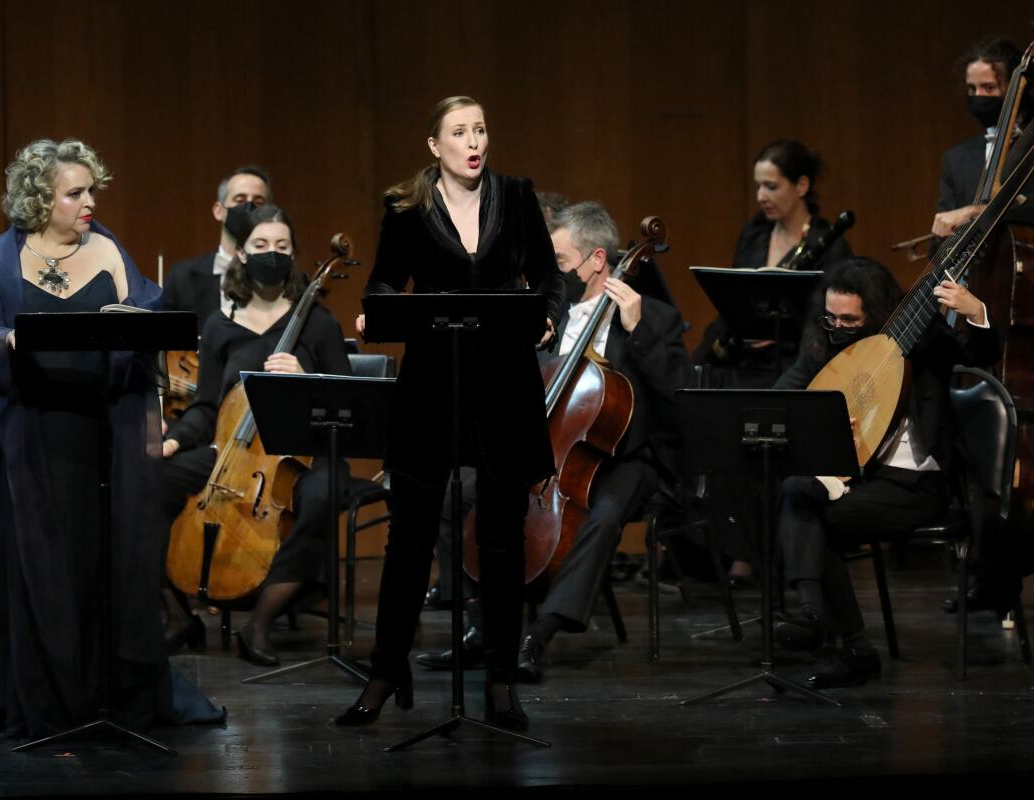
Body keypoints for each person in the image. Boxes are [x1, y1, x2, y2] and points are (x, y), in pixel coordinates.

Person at [0, 138, 224, 739]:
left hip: (104, 435)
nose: (90, 201)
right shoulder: (1, 259)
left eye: (92, 189)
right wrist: (8, 341)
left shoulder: (110, 249)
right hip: (33, 434)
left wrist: (139, 324)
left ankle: (104, 688)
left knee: (101, 558)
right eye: (76, 192)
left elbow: (149, 308)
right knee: (41, 562)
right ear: (42, 201)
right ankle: (44, 692)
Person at [339, 95, 564, 731]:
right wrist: (374, 312)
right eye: (460, 132)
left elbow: (550, 278)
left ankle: (499, 679)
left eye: (481, 129)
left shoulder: (516, 197)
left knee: (500, 538)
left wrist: (548, 316)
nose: (474, 141)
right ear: (434, 146)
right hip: (433, 382)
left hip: (504, 382)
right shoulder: (406, 208)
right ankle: (387, 671)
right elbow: (382, 283)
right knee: (409, 536)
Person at [414, 202, 689, 682]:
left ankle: (537, 635)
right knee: (451, 492)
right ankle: (481, 628)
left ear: (597, 260)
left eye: (561, 263)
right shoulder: (552, 315)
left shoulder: (655, 318)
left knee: (601, 518)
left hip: (627, 456)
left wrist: (637, 331)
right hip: (553, 448)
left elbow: (677, 396)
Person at [771, 257, 999, 688]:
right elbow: (787, 393)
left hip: (919, 483)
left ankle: (846, 642)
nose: (837, 327)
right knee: (795, 491)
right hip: (864, 479)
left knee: (816, 519)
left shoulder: (925, 341)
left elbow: (981, 357)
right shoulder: (827, 339)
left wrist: (977, 315)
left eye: (850, 321)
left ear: (875, 314)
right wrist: (822, 421)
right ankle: (815, 616)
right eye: (831, 317)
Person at [160, 203, 351, 665]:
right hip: (233, 452)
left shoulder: (319, 323)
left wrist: (310, 379)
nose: (272, 254)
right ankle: (177, 615)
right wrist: (170, 442)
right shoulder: (221, 327)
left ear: (294, 254)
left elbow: (348, 405)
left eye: (282, 247)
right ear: (241, 255)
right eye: (261, 246)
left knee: (324, 496)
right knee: (144, 482)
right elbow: (206, 409)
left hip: (305, 454)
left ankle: (258, 624)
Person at [693, 140, 854, 389]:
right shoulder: (755, 233)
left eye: (771, 187)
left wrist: (779, 328)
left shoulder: (830, 244)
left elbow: (834, 322)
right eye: (758, 187)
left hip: (797, 363)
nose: (760, 197)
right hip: (746, 361)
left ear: (801, 185)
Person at [932, 37, 1034, 238]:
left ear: (1015, 88)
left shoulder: (1029, 146)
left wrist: (975, 212)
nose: (978, 96)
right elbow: (938, 248)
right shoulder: (956, 159)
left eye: (988, 88)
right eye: (972, 89)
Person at [162, 166, 273, 324]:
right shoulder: (182, 278)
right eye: (240, 200)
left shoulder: (282, 276)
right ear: (218, 211)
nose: (249, 208)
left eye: (258, 202)